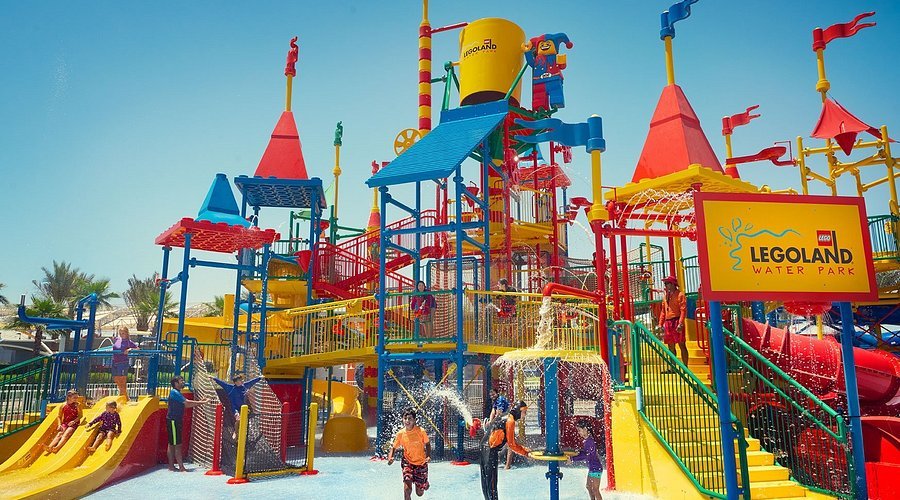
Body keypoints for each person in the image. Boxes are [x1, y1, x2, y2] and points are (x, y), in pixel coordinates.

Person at [480, 401, 531, 500]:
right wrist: (525, 453)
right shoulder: (510, 421)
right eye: (524, 412)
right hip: (490, 450)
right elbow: (511, 445)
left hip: (483, 447)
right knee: (492, 482)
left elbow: (510, 441)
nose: (525, 415)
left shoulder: (505, 416)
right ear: (518, 411)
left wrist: (523, 449)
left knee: (486, 481)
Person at [387, 408, 431, 500]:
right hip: (408, 462)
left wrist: (428, 456)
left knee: (419, 493)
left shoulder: (420, 431)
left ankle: (424, 484)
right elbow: (394, 447)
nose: (407, 421)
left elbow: (427, 444)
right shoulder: (401, 434)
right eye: (405, 418)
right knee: (407, 489)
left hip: (421, 463)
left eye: (410, 419)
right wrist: (390, 457)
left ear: (414, 420)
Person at [167, 376, 209, 471]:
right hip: (174, 421)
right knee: (177, 444)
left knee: (172, 444)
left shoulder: (177, 393)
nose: (183, 382)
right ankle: (181, 467)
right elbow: (187, 403)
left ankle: (171, 466)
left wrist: (200, 401)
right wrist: (202, 402)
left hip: (174, 420)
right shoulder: (175, 392)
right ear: (176, 383)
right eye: (181, 381)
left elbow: (187, 404)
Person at [213, 373, 262, 439]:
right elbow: (221, 383)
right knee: (238, 420)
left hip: (244, 408)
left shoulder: (245, 386)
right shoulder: (230, 388)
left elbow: (253, 381)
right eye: (240, 380)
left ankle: (242, 434)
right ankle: (236, 432)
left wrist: (260, 378)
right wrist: (213, 378)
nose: (242, 381)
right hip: (235, 408)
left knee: (243, 421)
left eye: (242, 380)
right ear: (235, 382)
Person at [569, 419, 605, 500]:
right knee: (589, 487)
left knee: (595, 490)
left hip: (596, 469)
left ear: (585, 429)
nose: (579, 433)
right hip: (592, 468)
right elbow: (586, 453)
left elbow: (586, 455)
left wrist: (572, 459)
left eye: (579, 430)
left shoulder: (590, 441)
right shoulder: (586, 441)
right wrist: (579, 452)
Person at [658, 276, 688, 369]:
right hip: (668, 322)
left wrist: (680, 323)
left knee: (681, 344)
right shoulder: (666, 296)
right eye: (665, 284)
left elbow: (683, 310)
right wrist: (660, 324)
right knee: (670, 346)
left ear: (673, 284)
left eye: (667, 283)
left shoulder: (680, 295)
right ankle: (672, 367)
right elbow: (663, 311)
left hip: (677, 320)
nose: (666, 285)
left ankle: (685, 367)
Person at [112, 326, 138, 402]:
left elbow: (137, 348)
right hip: (115, 361)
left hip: (123, 362)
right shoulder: (117, 339)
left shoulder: (128, 342)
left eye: (123, 333)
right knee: (115, 378)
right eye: (120, 333)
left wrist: (130, 349)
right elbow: (115, 342)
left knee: (122, 378)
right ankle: (124, 394)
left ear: (126, 333)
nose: (121, 334)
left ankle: (123, 395)